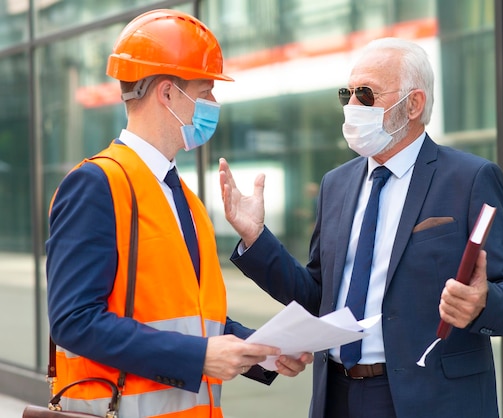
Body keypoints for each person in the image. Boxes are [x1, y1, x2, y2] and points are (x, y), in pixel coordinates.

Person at [219, 37, 503, 418]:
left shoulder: (469, 178)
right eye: (347, 94)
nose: (352, 107)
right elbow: (317, 296)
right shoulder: (335, 184)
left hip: (431, 399)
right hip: (337, 395)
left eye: (366, 95)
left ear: (414, 104)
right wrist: (256, 237)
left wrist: (483, 303)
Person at [46, 9, 311, 418]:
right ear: (167, 94)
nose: (214, 104)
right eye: (205, 92)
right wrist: (199, 356)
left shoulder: (183, 195)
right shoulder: (97, 184)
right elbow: (75, 320)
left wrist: (261, 350)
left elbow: (190, 319)